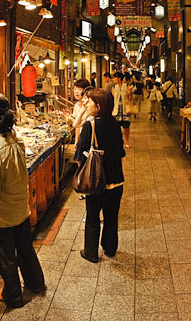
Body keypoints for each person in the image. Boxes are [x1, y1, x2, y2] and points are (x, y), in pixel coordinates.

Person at [0, 93, 45, 308]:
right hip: (20, 208)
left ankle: (13, 296)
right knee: (25, 249)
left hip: (2, 215)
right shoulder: (16, 139)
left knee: (6, 258)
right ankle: (36, 283)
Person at [74, 88, 125, 262]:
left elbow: (80, 156)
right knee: (111, 217)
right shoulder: (116, 125)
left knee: (93, 217)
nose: (86, 103)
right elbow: (120, 153)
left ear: (98, 106)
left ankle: (91, 252)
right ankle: (110, 248)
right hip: (116, 180)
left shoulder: (91, 125)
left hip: (97, 183)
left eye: (89, 101)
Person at [111, 72, 132, 148]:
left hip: (125, 109)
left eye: (115, 78)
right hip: (116, 109)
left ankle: (127, 141)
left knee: (126, 127)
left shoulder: (127, 86)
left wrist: (130, 93)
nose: (113, 80)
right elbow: (113, 98)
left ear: (119, 78)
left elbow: (130, 99)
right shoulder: (114, 87)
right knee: (116, 127)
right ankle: (117, 141)